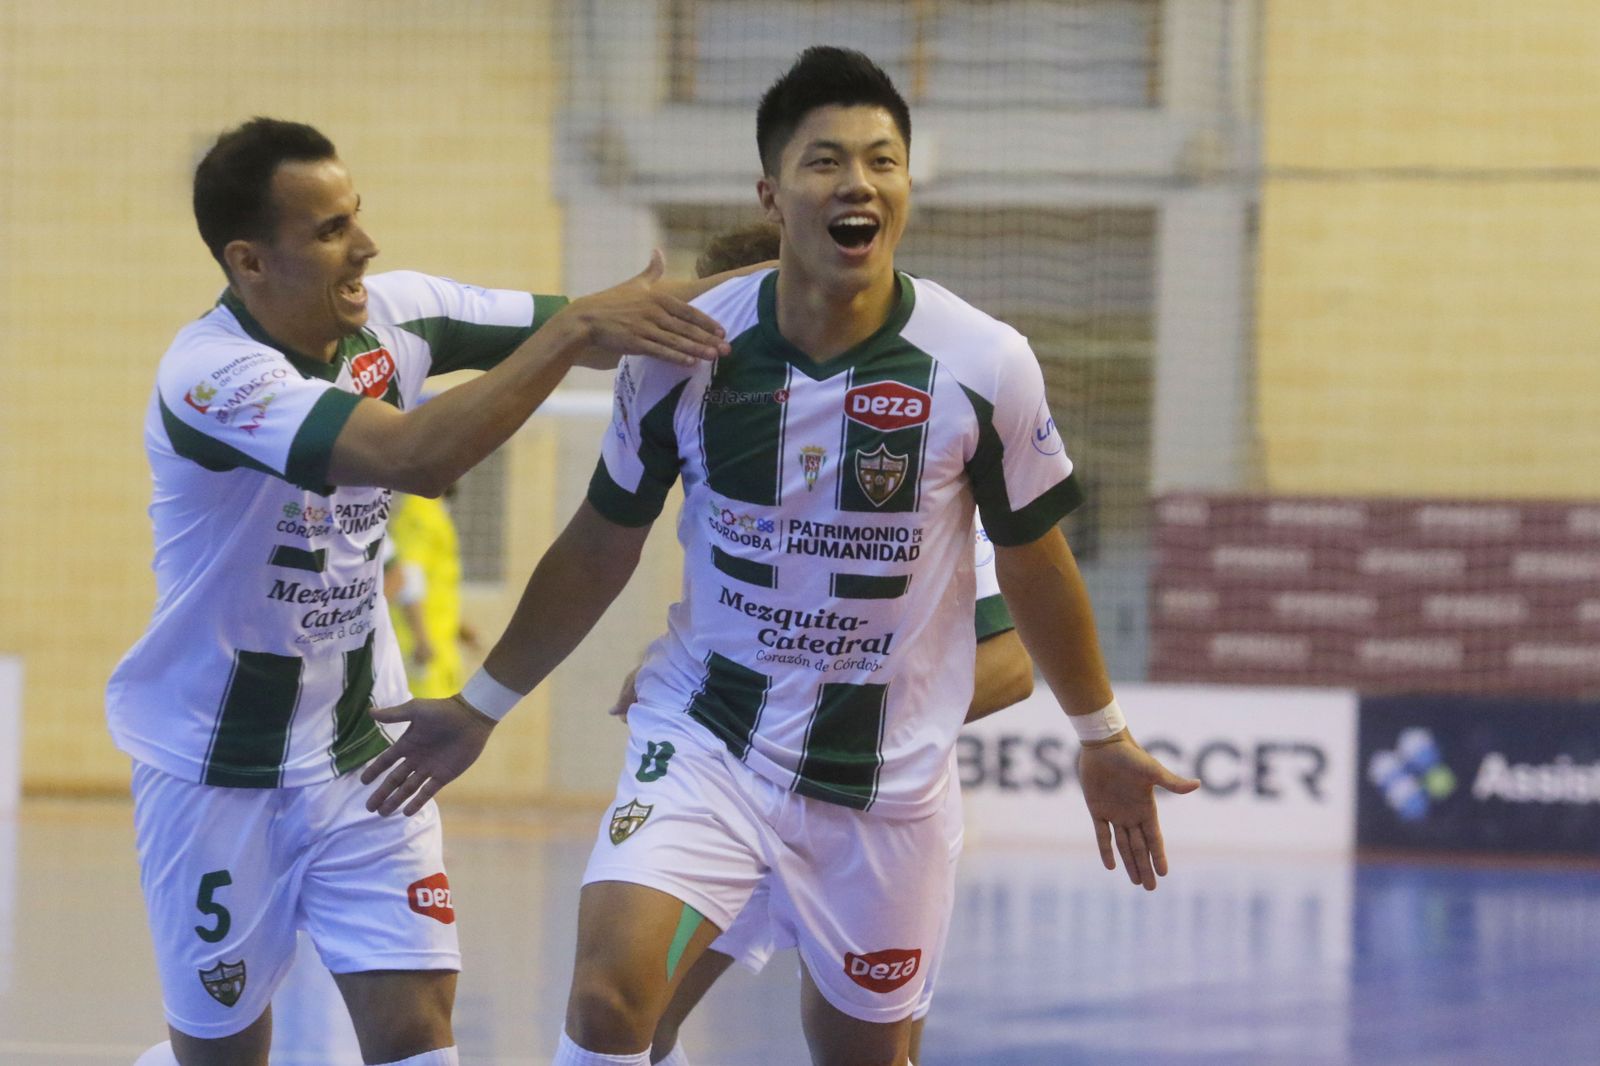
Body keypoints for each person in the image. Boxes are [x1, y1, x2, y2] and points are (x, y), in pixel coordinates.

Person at [364, 48, 1199, 1066]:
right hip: (711, 740)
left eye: (882, 160)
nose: (858, 182)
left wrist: (1100, 734)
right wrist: (482, 703)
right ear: (771, 192)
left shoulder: (979, 362)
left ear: (905, 187)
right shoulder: (682, 352)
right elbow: (598, 541)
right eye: (825, 162)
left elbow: (1033, 562)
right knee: (610, 1001)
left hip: (882, 787)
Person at [108, 116, 733, 1066]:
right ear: (249, 262)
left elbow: (622, 322)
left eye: (355, 216)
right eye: (327, 231)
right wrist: (575, 328)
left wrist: (804, 287)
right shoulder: (210, 375)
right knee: (222, 1055)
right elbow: (422, 456)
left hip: (364, 757)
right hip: (211, 766)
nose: (364, 245)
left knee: (418, 1040)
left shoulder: (397, 314)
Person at [624, 222, 1033, 1066]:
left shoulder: (927, 478)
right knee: (630, 1007)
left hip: (865, 805)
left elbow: (1011, 665)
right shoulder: (713, 430)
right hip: (729, 785)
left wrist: (827, 703)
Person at [386, 487, 478, 698]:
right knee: (425, 724)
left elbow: (433, 583)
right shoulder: (421, 511)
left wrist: (459, 626)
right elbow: (410, 576)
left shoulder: (433, 513)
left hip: (438, 644)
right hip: (421, 650)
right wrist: (421, 639)